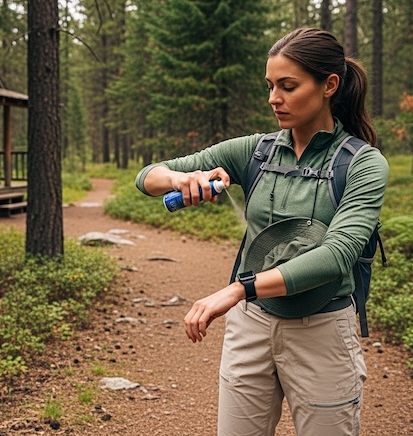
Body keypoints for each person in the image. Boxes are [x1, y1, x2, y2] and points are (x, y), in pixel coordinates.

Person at [134, 28, 389, 435]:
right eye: (270, 86)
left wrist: (238, 289)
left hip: (322, 331)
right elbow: (146, 176)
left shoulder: (363, 164)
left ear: (329, 86)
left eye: (288, 86)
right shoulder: (255, 150)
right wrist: (181, 179)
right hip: (250, 326)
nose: (274, 98)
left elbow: (337, 255)